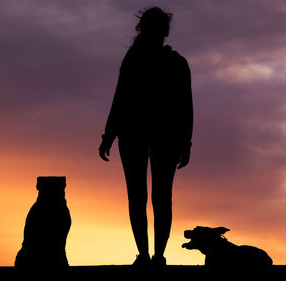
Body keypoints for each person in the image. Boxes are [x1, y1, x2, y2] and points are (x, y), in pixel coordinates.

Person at [99, 7, 193, 268]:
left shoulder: (166, 62)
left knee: (144, 197)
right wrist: (109, 135)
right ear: (164, 30)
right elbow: (121, 99)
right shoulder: (166, 62)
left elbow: (184, 107)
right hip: (148, 136)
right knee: (155, 197)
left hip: (147, 136)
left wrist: (109, 135)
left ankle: (150, 255)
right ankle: (153, 256)